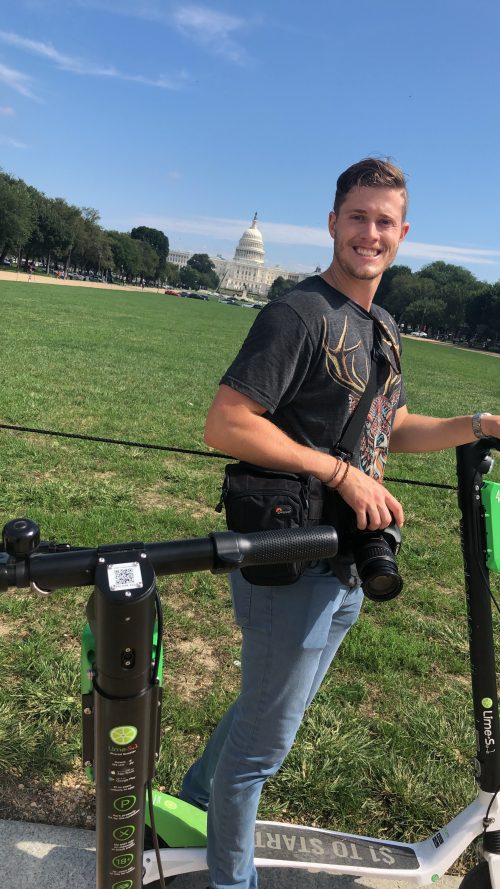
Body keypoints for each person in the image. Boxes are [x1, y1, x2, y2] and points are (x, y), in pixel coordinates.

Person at [180, 157, 500, 889]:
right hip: (290, 557)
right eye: (358, 216)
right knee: (263, 747)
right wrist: (337, 472)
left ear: (403, 232)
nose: (370, 233)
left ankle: (188, 804)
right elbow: (227, 423)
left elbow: (391, 429)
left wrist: (478, 421)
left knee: (262, 712)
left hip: (348, 560)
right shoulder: (299, 313)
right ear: (333, 222)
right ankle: (230, 881)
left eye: (385, 221)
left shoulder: (381, 324)